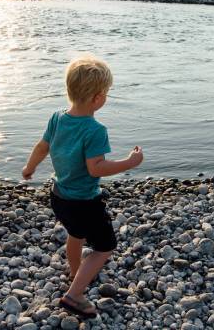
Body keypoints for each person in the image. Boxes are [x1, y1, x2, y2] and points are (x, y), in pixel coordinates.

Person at [21, 55, 144, 317]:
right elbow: (96, 168)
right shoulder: (95, 129)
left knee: (75, 235)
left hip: (58, 195)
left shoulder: (57, 117)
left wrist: (29, 168)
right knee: (104, 246)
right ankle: (75, 295)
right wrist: (129, 162)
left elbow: (42, 146)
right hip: (85, 201)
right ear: (98, 98)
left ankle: (77, 274)